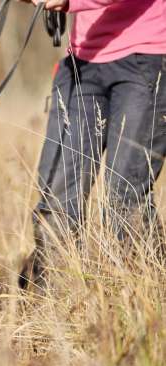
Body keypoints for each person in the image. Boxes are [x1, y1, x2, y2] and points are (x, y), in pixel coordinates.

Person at [17, 0, 166, 289]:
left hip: (147, 57)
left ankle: (143, 299)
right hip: (82, 63)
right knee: (57, 196)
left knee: (125, 197)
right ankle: (53, 308)